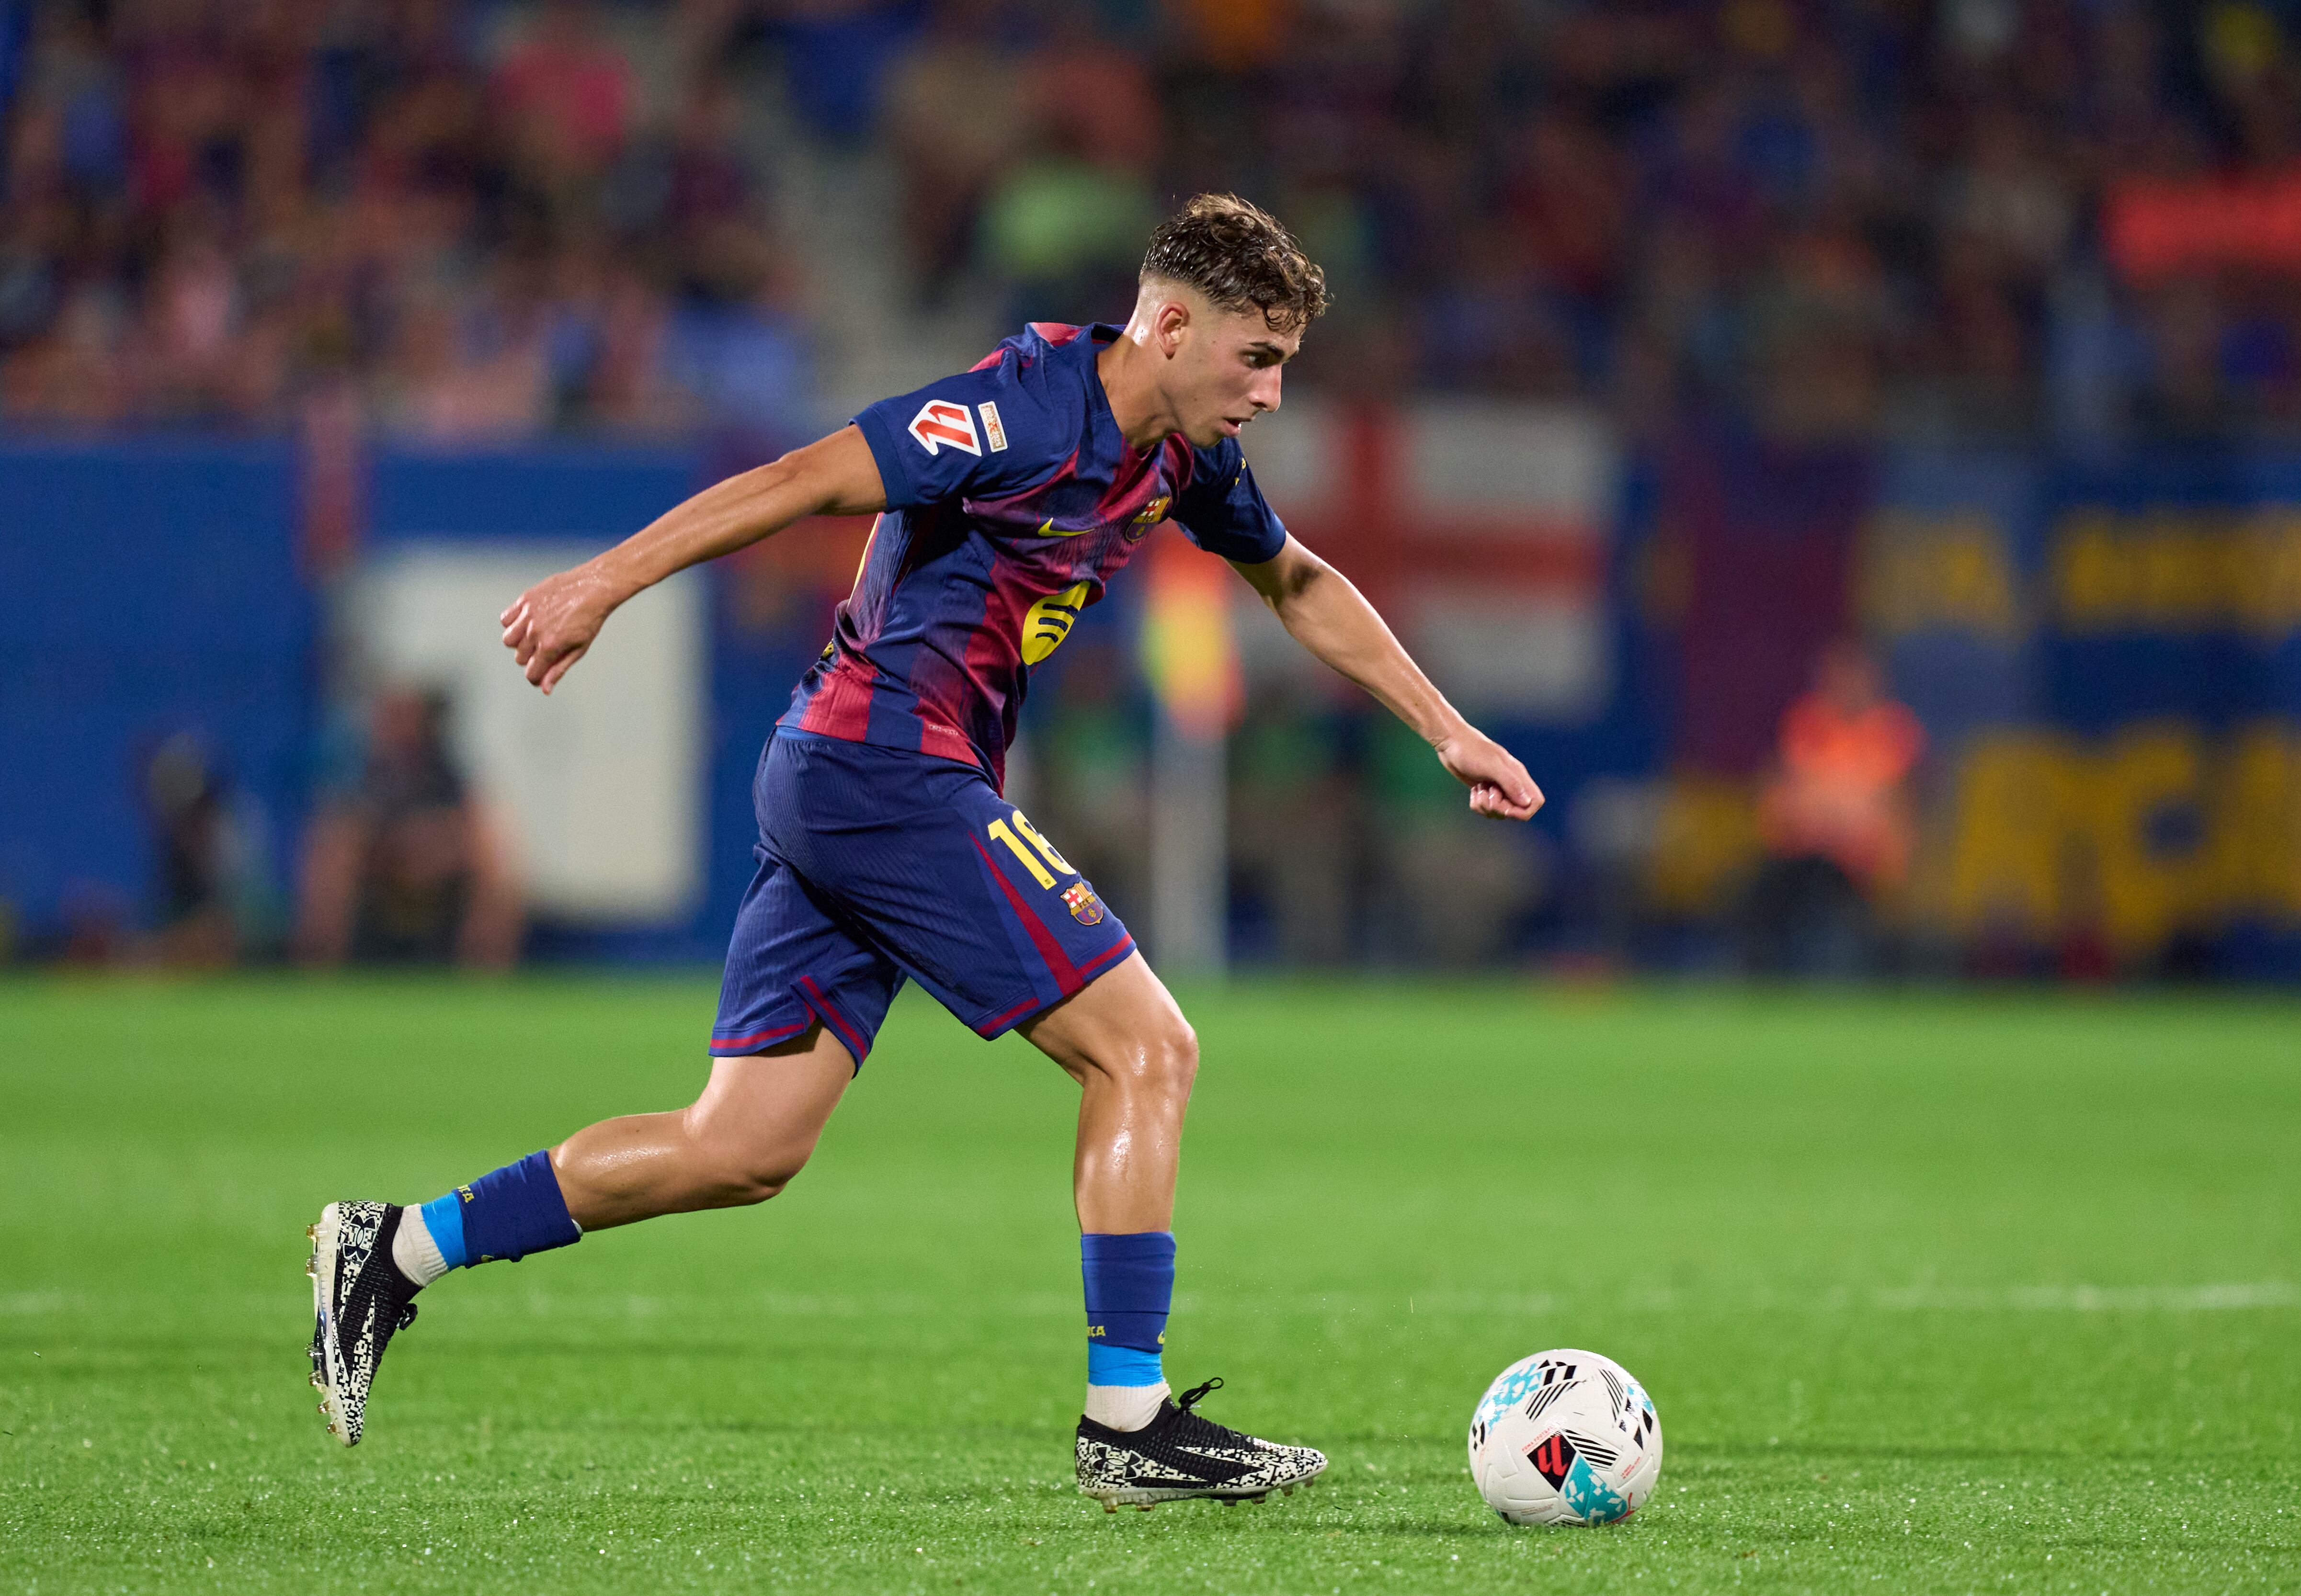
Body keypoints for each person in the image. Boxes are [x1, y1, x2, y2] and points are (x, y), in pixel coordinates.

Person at [306, 195, 1543, 1510]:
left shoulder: (1180, 455)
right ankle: (1128, 1416)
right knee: (1149, 1046)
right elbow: (796, 481)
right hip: (884, 768)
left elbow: (1296, 579)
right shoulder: (1015, 410)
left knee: (744, 1146)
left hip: (849, 778)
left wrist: (1447, 727)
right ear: (1171, 327)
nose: (1275, 393)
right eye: (1259, 357)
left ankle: (399, 1246)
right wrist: (600, 581)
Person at [291, 688, 524, 971]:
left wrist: (430, 846)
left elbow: (470, 824)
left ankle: (484, 974)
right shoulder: (367, 770)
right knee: (334, 853)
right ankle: (319, 968)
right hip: (381, 867)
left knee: (494, 857)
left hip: (438, 868)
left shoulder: (444, 772)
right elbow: (351, 824)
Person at [1743, 641, 1923, 976]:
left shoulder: (1891, 729)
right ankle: (1766, 975)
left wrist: (1837, 818)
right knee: (1763, 885)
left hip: (1864, 859)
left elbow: (1889, 808)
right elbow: (1787, 798)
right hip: (1808, 850)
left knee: (1832, 879)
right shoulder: (1809, 723)